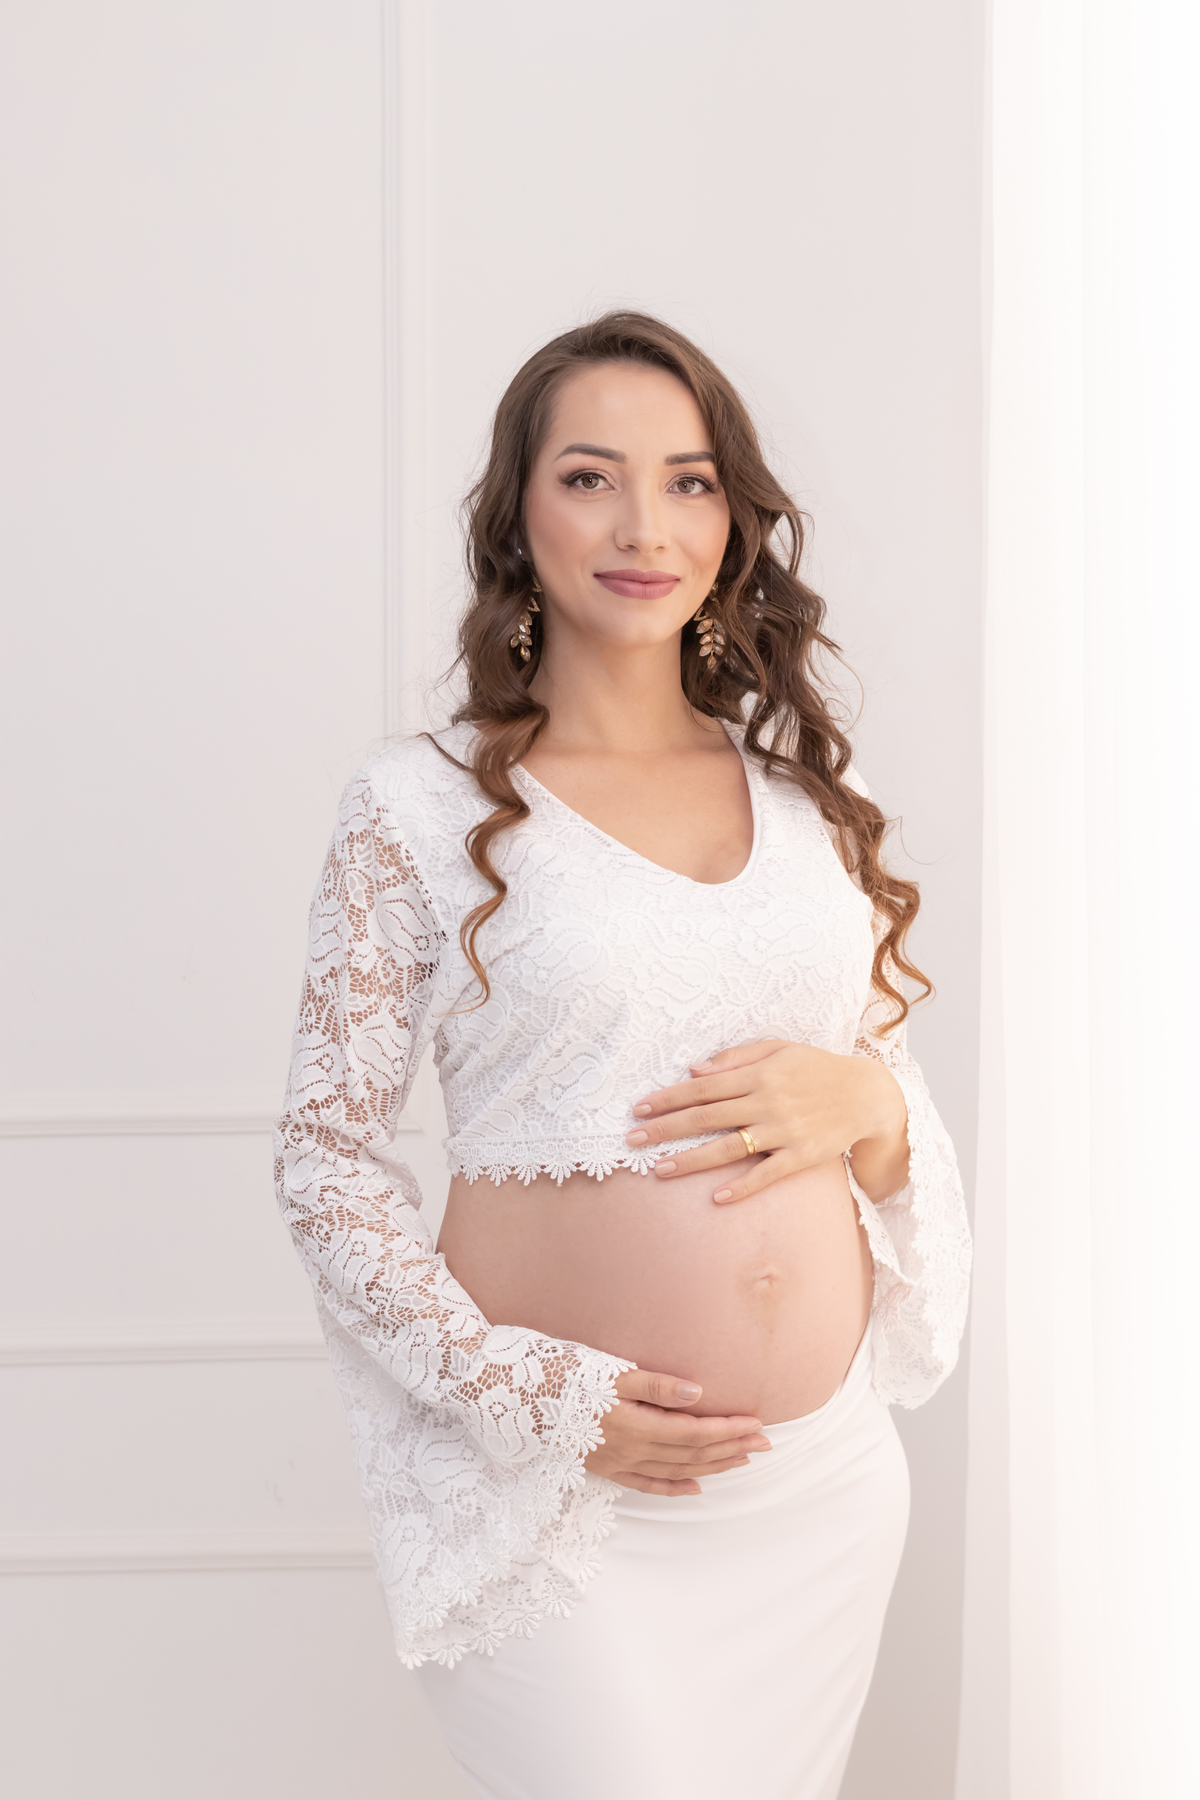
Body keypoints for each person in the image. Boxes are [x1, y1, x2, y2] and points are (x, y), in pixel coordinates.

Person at [274, 311, 971, 1800]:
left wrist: (874, 1111)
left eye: (693, 481)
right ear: (519, 517)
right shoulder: (416, 805)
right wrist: (526, 1396)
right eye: (591, 478)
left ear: (736, 520)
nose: (646, 524)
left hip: (821, 1495)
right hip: (559, 1496)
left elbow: (882, 1101)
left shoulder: (808, 810)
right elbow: (323, 1160)